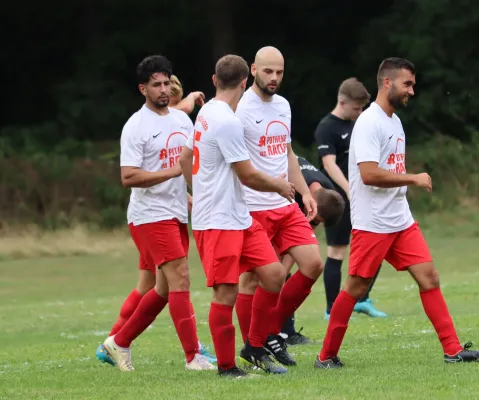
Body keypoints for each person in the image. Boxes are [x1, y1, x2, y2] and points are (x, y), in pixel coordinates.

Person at [315, 57, 479, 369]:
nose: (412, 90)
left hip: (400, 220)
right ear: (387, 83)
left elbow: (389, 169)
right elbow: (370, 174)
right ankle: (325, 356)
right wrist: (413, 178)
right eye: (407, 84)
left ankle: (453, 351)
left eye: (413, 84)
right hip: (372, 223)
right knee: (355, 289)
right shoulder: (369, 123)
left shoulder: (394, 121)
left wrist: (404, 189)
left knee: (429, 277)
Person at [179, 54, 295, 377]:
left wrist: (199, 188)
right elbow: (248, 176)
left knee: (273, 275)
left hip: (239, 217)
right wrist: (280, 185)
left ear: (215, 80)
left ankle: (254, 346)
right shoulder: (227, 121)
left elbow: (185, 158)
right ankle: (227, 367)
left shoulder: (207, 113)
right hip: (217, 221)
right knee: (226, 293)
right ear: (245, 83)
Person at [98, 55, 215, 372]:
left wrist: (197, 196)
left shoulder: (181, 121)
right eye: (156, 85)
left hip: (176, 212)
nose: (163, 90)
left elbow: (190, 166)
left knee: (163, 289)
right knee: (180, 278)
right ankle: (194, 356)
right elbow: (129, 177)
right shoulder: (136, 126)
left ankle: (118, 342)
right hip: (149, 215)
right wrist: (171, 172)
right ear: (143, 89)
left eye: (166, 83)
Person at [234, 46, 324, 367]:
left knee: (312, 264)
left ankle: (269, 332)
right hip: (252, 207)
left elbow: (286, 153)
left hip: (286, 204)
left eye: (280, 72)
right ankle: (255, 348)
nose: (274, 78)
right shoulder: (241, 109)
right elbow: (237, 163)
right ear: (254, 69)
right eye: (268, 71)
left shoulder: (283, 106)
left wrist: (306, 194)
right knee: (251, 282)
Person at [315, 77, 387, 319]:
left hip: (365, 198)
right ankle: (330, 308)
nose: (360, 112)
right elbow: (329, 164)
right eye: (356, 108)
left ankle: (362, 300)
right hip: (339, 200)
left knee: (375, 246)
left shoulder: (360, 124)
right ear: (342, 102)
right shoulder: (327, 127)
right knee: (337, 251)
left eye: (362, 108)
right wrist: (348, 189)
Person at [279, 155, 345, 345]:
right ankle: (264, 335)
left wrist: (285, 268)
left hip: (291, 217)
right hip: (268, 206)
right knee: (271, 273)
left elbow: (303, 233)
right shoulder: (294, 188)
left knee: (284, 274)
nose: (315, 223)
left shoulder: (328, 194)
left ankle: (286, 332)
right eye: (316, 220)